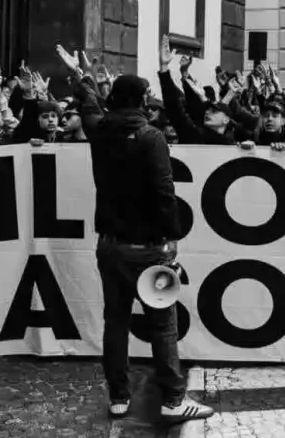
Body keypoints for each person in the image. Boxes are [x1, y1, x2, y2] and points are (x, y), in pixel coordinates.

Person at [57, 44, 213, 421]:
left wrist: (82, 76)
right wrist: (171, 236)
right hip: (147, 248)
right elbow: (164, 191)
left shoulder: (99, 130)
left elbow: (91, 104)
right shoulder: (150, 137)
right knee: (162, 326)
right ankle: (174, 400)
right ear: (141, 100)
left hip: (109, 247)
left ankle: (118, 397)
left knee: (116, 321)